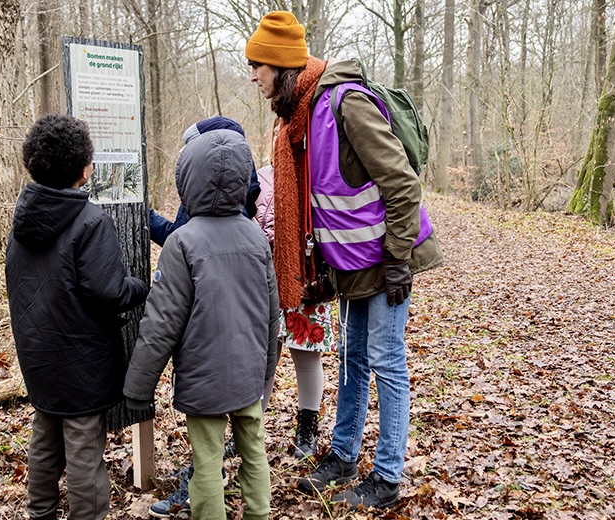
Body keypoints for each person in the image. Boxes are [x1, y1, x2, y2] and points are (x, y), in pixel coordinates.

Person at [244, 11, 444, 510]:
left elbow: (401, 183)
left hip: (388, 259)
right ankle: (342, 455)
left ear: (283, 67)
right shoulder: (300, 117)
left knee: (385, 361)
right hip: (353, 264)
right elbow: (327, 205)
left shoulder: (345, 104)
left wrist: (398, 259)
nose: (253, 77)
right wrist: (322, 274)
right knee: (353, 361)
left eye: (259, 67)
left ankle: (388, 477)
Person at [123, 129, 280, 520]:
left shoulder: (182, 242)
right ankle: (259, 514)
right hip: (247, 375)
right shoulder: (255, 237)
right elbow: (270, 313)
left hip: (203, 378)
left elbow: (161, 322)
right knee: (253, 450)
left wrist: (138, 389)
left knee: (207, 461)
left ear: (188, 179)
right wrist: (267, 374)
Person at [5, 114, 150, 520]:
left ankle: (41, 513)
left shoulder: (22, 221)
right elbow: (110, 291)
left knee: (45, 440)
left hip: (37, 355)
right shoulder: (89, 222)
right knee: (85, 450)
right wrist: (143, 285)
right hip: (82, 360)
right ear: (85, 170)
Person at [253, 160, 335, 459]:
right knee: (262, 358)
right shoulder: (261, 176)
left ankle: (307, 429)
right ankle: (250, 429)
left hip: (305, 276)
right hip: (265, 278)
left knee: (306, 358)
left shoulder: (318, 173)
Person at [148, 116, 262, 246]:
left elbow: (183, 245)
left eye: (192, 145)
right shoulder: (238, 192)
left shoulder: (208, 198)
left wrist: (147, 218)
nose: (182, 152)